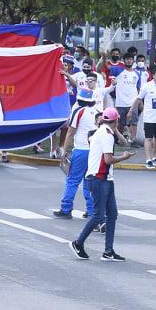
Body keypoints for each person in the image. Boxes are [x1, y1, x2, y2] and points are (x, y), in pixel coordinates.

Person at [70, 107, 134, 262]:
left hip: (105, 178)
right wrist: (124, 157)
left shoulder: (103, 131)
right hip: (99, 179)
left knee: (112, 214)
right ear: (117, 120)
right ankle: (78, 243)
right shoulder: (106, 135)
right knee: (99, 215)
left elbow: (125, 143)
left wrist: (115, 130)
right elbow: (108, 159)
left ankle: (108, 251)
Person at [54, 89, 98, 219]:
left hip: (81, 150)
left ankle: (66, 208)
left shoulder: (79, 111)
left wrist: (64, 150)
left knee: (72, 180)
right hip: (94, 150)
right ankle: (91, 211)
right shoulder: (97, 111)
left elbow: (70, 132)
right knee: (88, 182)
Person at [128, 67, 156, 169]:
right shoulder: (147, 86)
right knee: (148, 138)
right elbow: (138, 99)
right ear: (153, 75)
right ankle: (148, 159)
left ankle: (155, 157)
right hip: (149, 118)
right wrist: (131, 111)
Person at [110, 54, 140, 143]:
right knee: (121, 123)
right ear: (124, 60)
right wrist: (104, 57)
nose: (129, 61)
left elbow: (138, 89)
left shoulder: (137, 74)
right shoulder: (117, 70)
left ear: (133, 61)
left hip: (133, 103)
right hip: (121, 102)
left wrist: (139, 102)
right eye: (127, 59)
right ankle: (118, 139)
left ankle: (133, 140)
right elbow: (107, 68)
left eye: (131, 59)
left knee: (134, 122)